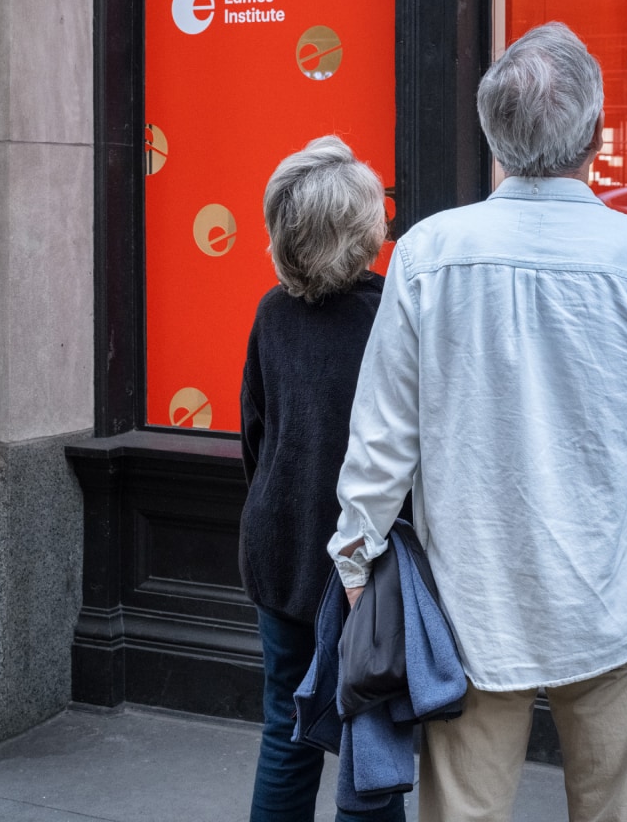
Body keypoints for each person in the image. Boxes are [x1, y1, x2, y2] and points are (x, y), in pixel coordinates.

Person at [333, 23, 627, 822]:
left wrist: (357, 557)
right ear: (596, 135)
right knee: (621, 808)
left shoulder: (426, 254)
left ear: (494, 137)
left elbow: (382, 436)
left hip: (469, 601)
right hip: (613, 598)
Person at [240, 135, 405, 822]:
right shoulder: (390, 314)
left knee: (286, 726)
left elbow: (255, 433)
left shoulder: (272, 313)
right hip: (364, 565)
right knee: (370, 735)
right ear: (359, 231)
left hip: (279, 552)